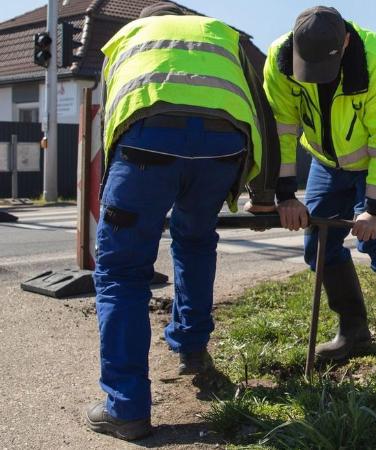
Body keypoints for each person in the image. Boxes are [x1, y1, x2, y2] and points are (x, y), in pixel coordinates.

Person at [85, 2, 278, 440]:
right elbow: (261, 112)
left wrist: (111, 200)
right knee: (193, 240)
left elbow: (112, 120)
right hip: (223, 149)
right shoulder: (223, 35)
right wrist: (263, 194)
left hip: (148, 146)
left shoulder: (127, 39)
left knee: (121, 272)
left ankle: (126, 408)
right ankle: (192, 350)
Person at [246, 6, 376, 373]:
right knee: (319, 245)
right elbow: (282, 130)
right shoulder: (279, 62)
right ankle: (353, 330)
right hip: (326, 161)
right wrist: (286, 195)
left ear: (345, 42)